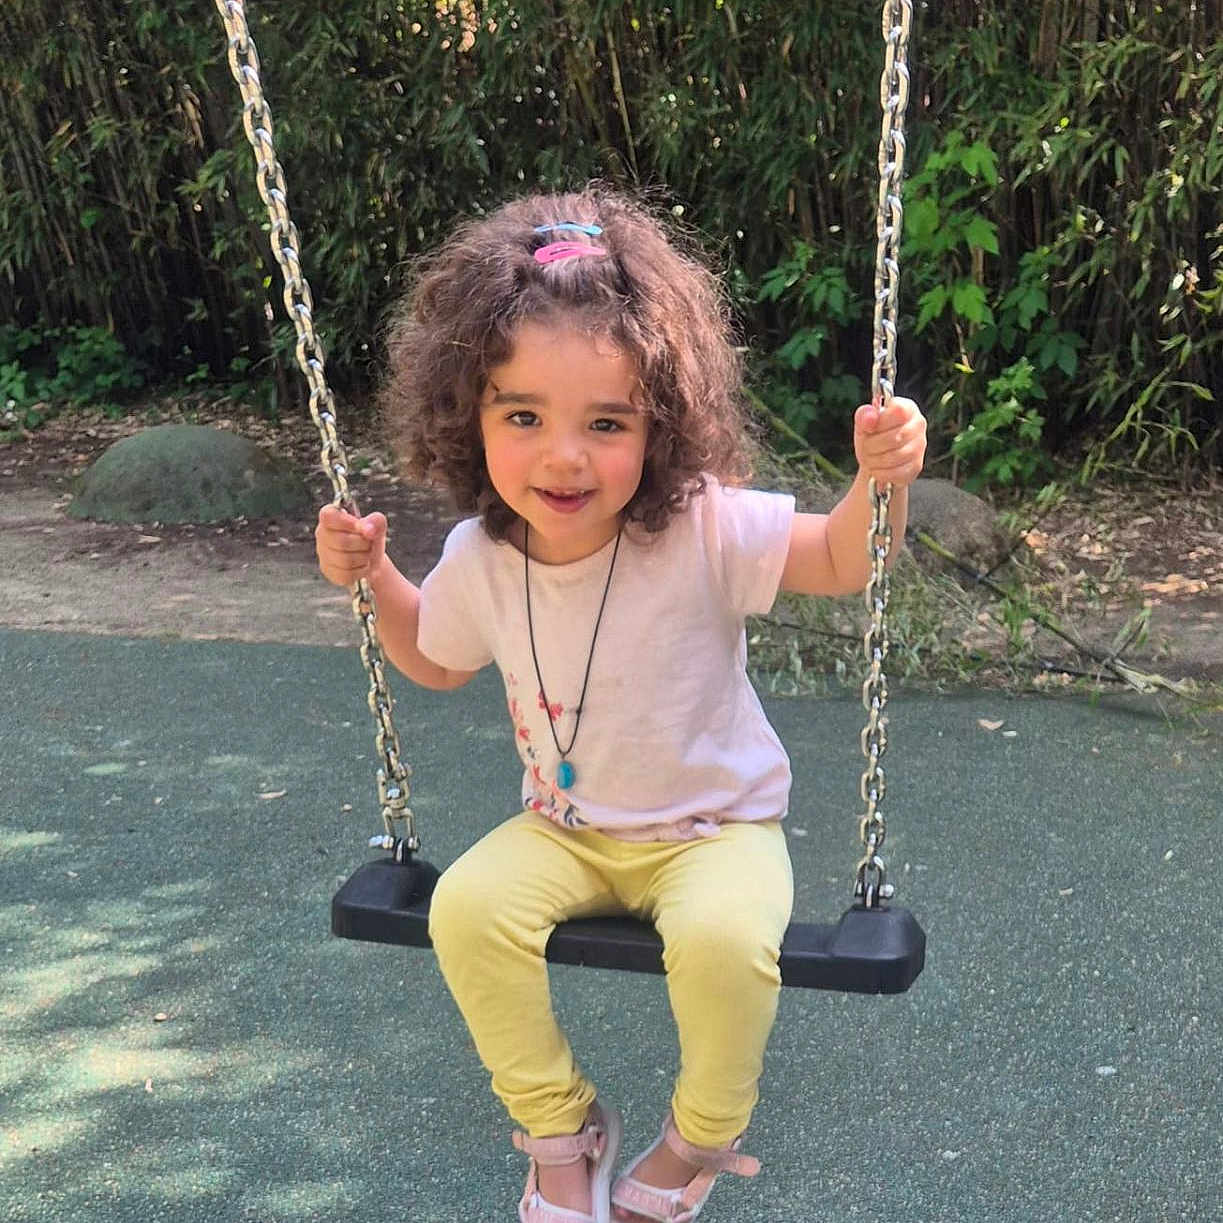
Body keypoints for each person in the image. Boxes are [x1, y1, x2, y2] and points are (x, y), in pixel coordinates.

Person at [315, 187, 926, 1223]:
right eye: (523, 415)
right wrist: (373, 577)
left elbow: (840, 556)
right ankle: (559, 1124)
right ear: (467, 416)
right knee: (465, 908)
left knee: (728, 946)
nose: (563, 455)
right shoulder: (480, 554)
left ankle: (698, 1133)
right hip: (566, 828)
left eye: (606, 422)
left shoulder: (699, 528)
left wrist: (882, 481)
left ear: (662, 424)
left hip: (712, 827)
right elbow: (433, 658)